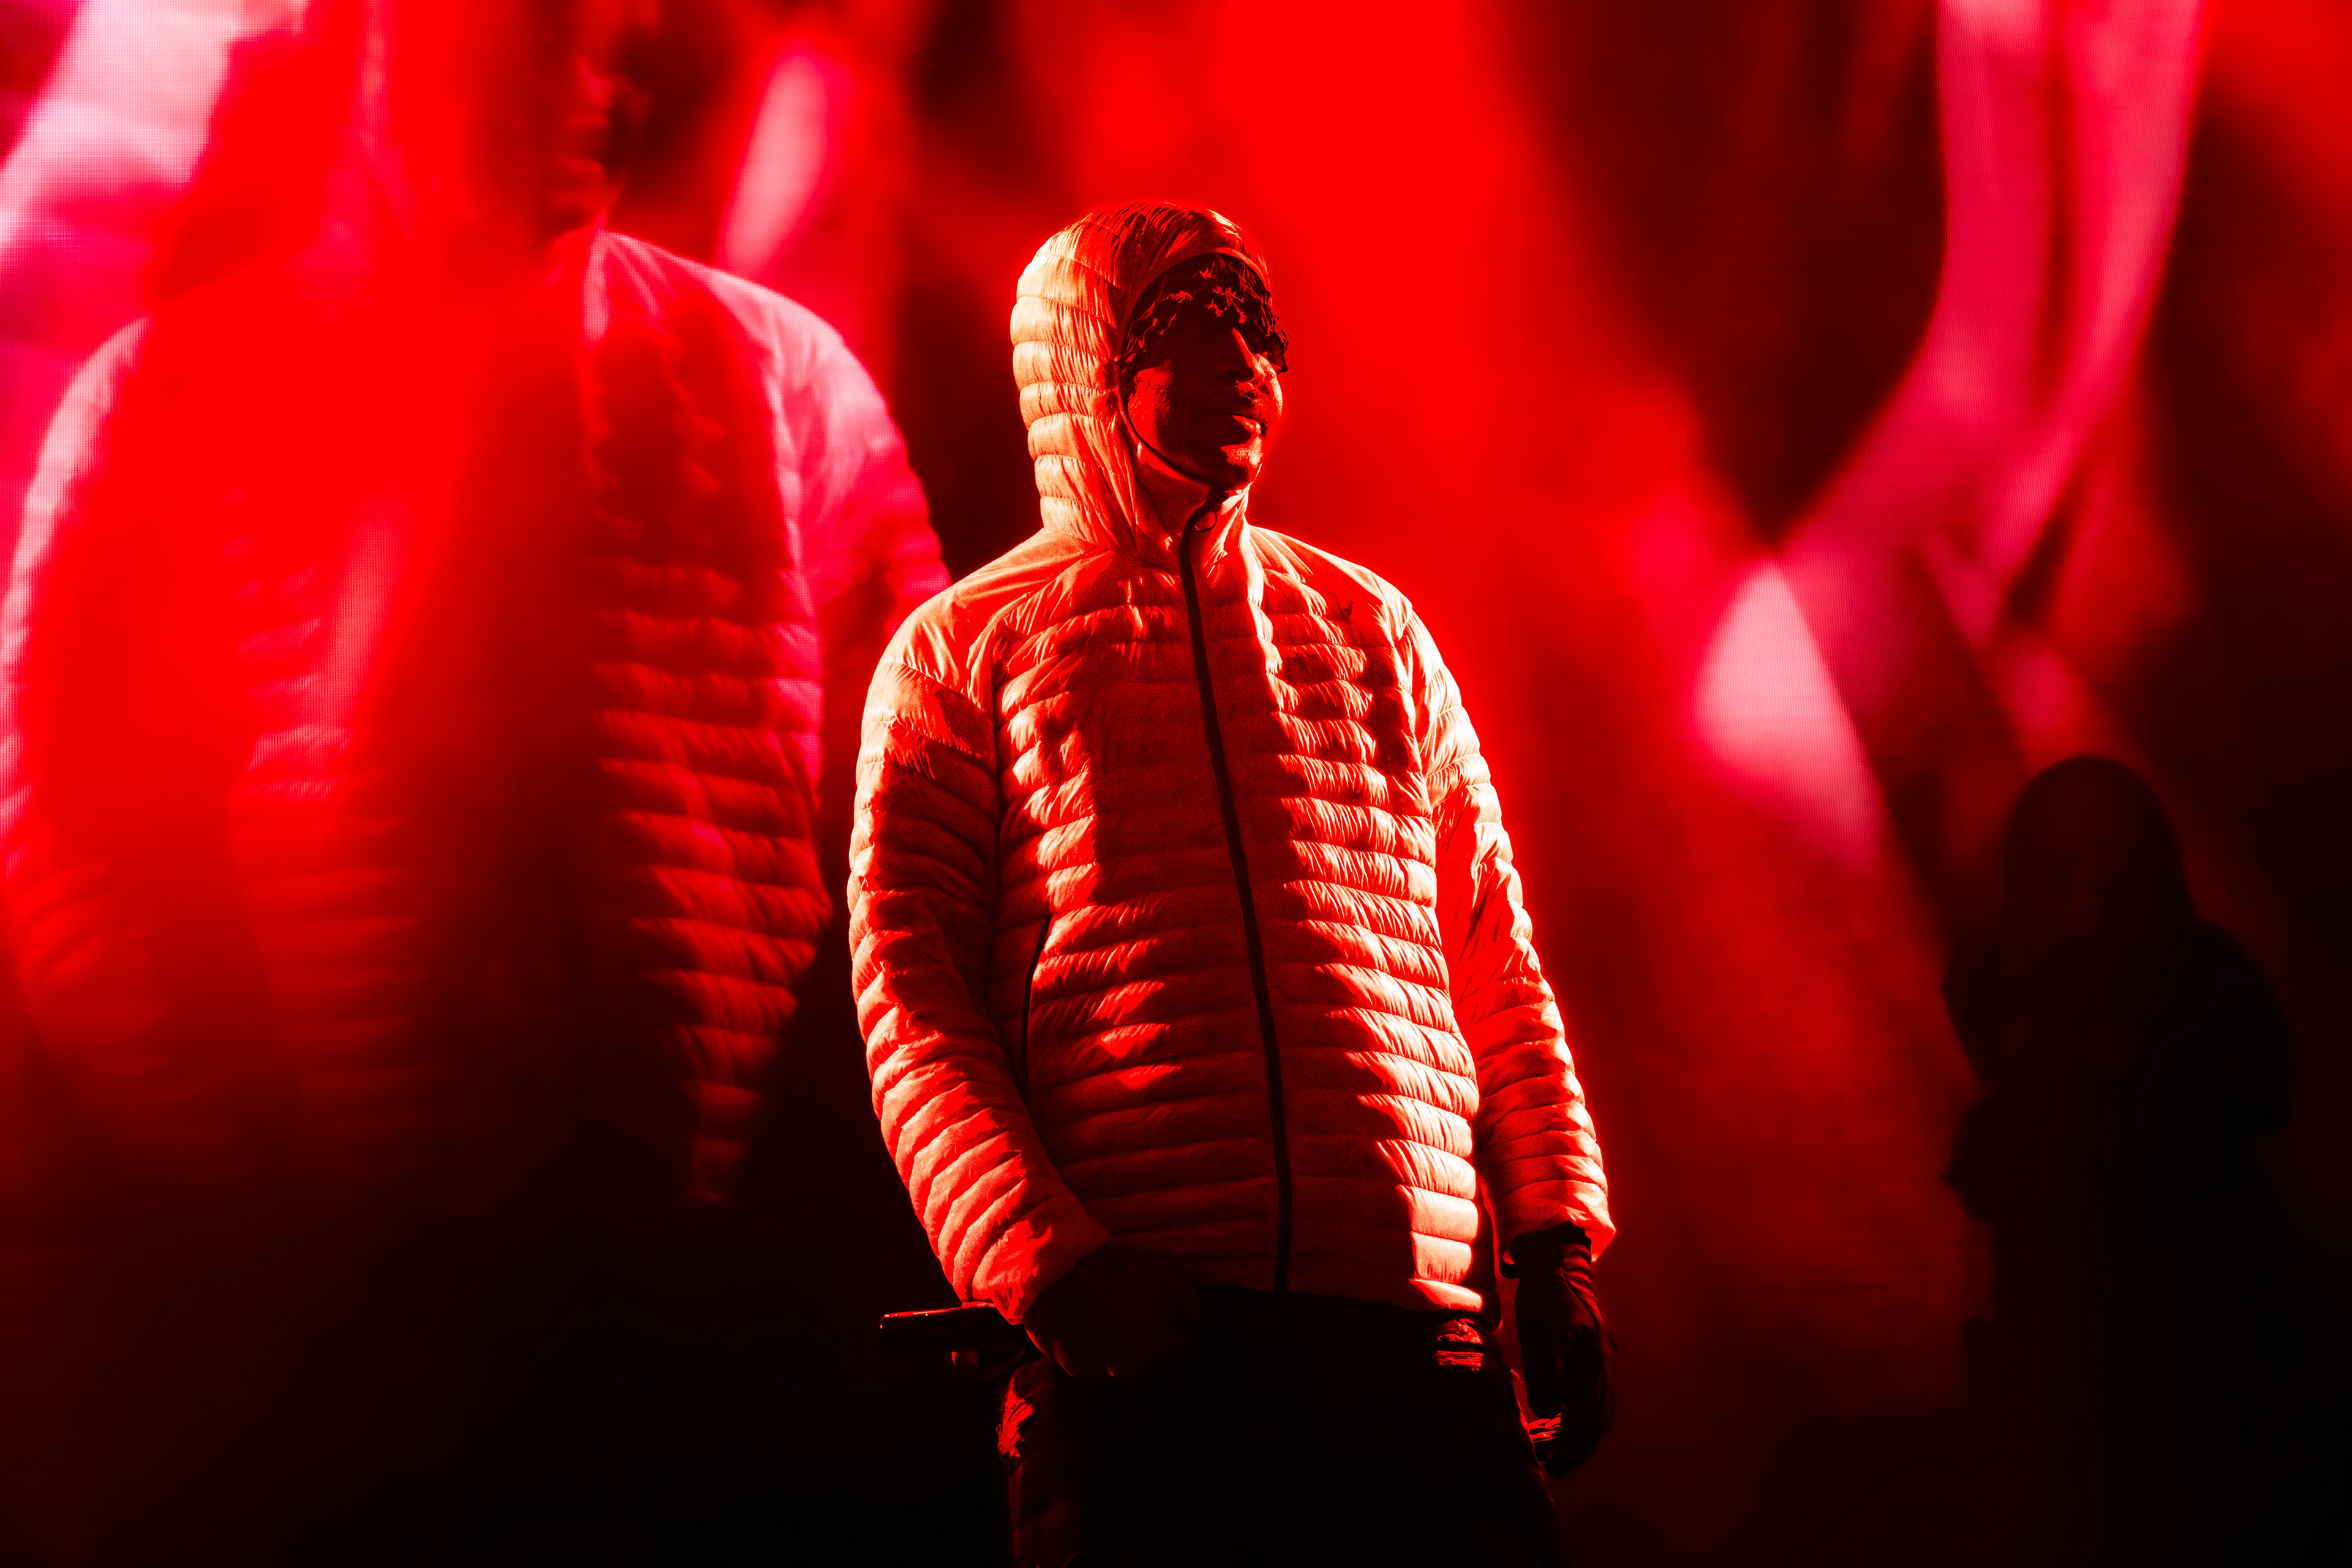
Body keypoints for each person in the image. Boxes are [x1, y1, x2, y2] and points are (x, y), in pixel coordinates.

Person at [0, 1, 943, 1559]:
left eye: (620, 44)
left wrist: (797, 1191)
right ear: (389, 50)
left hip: (691, 1341)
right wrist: (254, 1202)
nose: (590, 89)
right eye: (527, 42)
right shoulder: (174, 389)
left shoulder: (782, 379)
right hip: (308, 1352)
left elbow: (929, 811)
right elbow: (71, 844)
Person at [850, 202, 1612, 1566]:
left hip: (1415, 1352)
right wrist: (1052, 1267)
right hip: (1145, 1368)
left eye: (1261, 330)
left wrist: (1556, 1239)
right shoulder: (963, 651)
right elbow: (913, 995)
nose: (1247, 363)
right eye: (1196, 328)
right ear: (1090, 367)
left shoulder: (1374, 630)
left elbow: (1491, 951)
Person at [1944, 756, 2305, 1566]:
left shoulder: (2201, 970)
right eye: (2070, 838)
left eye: (2107, 838)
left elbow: (2264, 1091)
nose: (2090, 856)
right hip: (2070, 1316)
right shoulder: (2001, 974)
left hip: (2195, 1300)